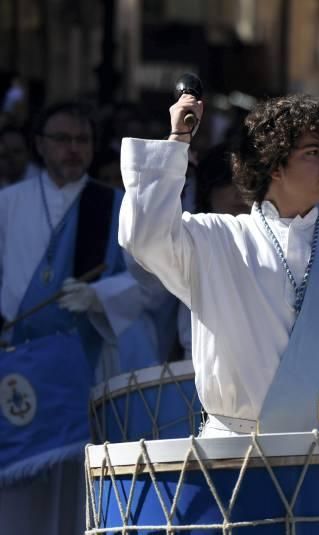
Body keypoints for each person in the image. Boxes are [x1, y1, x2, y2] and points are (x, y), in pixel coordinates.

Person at [119, 93, 319, 437]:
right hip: (235, 462)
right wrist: (177, 140)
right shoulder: (217, 240)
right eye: (313, 152)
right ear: (274, 165)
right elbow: (146, 237)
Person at [0, 101, 143, 535]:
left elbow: (146, 281)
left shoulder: (112, 204)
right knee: (18, 480)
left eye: (82, 140)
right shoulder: (8, 202)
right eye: (62, 139)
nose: (73, 149)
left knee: (81, 481)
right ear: (40, 145)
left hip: (85, 359)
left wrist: (99, 295)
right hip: (18, 363)